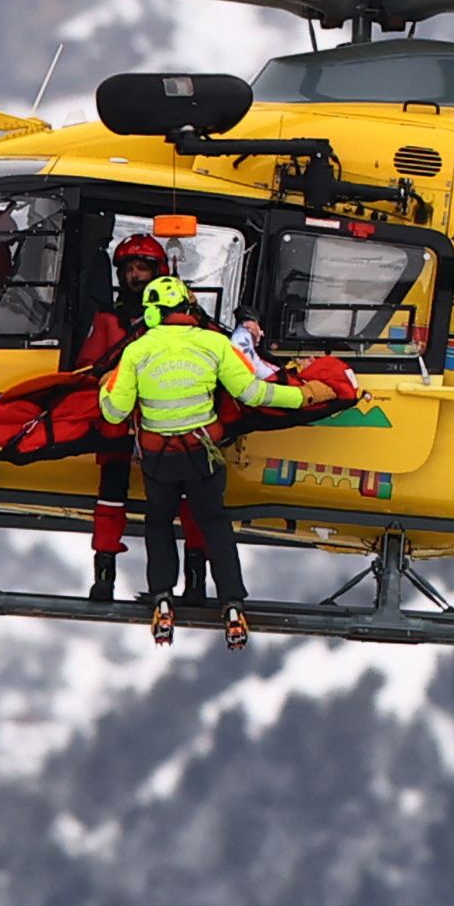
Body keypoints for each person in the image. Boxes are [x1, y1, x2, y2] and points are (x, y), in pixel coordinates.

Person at [99, 276, 338, 648]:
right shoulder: (214, 344)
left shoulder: (137, 351)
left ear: (151, 312)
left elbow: (114, 413)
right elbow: (253, 392)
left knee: (159, 521)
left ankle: (162, 596)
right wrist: (303, 397)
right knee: (214, 522)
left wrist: (105, 387)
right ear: (188, 307)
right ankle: (232, 603)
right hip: (202, 454)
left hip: (158, 460)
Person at [82, 234, 170, 602]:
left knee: (172, 502)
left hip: (165, 422)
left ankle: (180, 582)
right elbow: (87, 364)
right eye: (129, 269)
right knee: (110, 496)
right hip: (121, 423)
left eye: (142, 269)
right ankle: (104, 574)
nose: (135, 276)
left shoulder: (178, 319)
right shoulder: (109, 319)